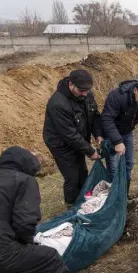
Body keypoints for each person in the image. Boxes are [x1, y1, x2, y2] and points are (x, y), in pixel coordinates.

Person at [43, 69, 103, 207]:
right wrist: (90, 151)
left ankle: (83, 200)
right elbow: (69, 134)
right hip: (60, 143)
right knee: (72, 176)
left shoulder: (86, 94)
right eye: (81, 90)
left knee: (82, 171)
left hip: (77, 138)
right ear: (71, 84)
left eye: (87, 90)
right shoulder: (57, 103)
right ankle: (71, 206)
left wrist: (98, 135)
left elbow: (94, 117)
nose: (85, 93)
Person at [101, 79, 138, 192]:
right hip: (111, 134)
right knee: (114, 168)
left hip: (127, 132)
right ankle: (114, 197)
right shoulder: (117, 96)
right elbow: (107, 119)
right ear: (135, 90)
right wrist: (117, 141)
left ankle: (124, 195)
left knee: (129, 164)